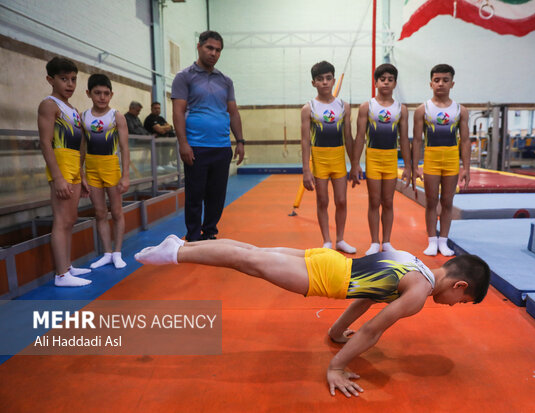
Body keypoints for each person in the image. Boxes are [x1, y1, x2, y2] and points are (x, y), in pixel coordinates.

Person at [134, 234, 490, 398]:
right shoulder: (419, 294)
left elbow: (365, 298)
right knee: (250, 261)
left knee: (253, 253)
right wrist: (335, 366)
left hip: (331, 261)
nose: (454, 306)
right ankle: (178, 252)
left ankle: (183, 246)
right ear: (459, 286)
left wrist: (337, 331)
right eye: (463, 300)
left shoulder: (413, 261)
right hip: (326, 277)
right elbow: (372, 330)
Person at [172, 30, 245, 242]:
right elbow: (178, 112)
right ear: (199, 47)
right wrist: (183, 143)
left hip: (222, 147)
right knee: (195, 195)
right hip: (196, 146)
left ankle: (210, 232)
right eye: (209, 48)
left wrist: (239, 141)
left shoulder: (225, 81)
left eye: (218, 50)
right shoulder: (184, 77)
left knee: (216, 196)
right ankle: (194, 237)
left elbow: (233, 112)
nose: (213, 53)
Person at [37, 57, 92, 287]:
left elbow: (80, 144)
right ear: (50, 79)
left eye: (73, 80)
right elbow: (45, 142)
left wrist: (83, 175)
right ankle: (61, 275)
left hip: (73, 166)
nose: (69, 84)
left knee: (70, 219)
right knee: (61, 220)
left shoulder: (73, 109)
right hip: (60, 164)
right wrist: (58, 177)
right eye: (63, 79)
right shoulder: (49, 105)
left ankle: (67, 266)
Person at [351, 64, 412, 256]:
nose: (386, 82)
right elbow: (360, 136)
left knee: (388, 201)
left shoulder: (401, 109)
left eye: (390, 79)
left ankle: (386, 242)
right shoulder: (367, 107)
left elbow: (403, 139)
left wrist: (409, 166)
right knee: (374, 201)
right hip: (373, 157)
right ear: (376, 82)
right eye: (382, 79)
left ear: (394, 83)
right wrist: (354, 164)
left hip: (391, 158)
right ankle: (374, 242)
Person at [413, 64, 470, 257]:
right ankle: (431, 240)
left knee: (447, 201)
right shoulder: (423, 109)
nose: (440, 84)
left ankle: (443, 241)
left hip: (452, 159)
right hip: (431, 159)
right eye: (436, 80)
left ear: (452, 83)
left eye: (445, 80)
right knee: (431, 201)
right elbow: (418, 140)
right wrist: (415, 166)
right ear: (430, 84)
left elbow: (466, 140)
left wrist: (466, 168)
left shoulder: (460, 110)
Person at [301, 61, 356, 254]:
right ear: (313, 82)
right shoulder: (308, 108)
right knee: (322, 200)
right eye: (320, 79)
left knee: (341, 200)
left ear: (333, 80)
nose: (324, 82)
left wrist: (355, 164)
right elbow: (305, 140)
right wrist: (306, 170)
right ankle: (326, 240)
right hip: (319, 159)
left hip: (338, 158)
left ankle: (340, 239)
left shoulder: (343, 106)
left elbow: (348, 138)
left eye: (328, 78)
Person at [82, 74, 130, 269]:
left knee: (117, 211)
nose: (102, 97)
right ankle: (106, 253)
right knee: (100, 213)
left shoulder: (116, 116)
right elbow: (82, 147)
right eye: (97, 93)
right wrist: (81, 173)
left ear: (111, 95)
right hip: (92, 168)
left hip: (111, 166)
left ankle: (117, 252)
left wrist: (125, 175)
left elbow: (125, 148)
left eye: (106, 93)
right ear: (89, 93)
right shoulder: (84, 116)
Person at [144, 101, 175, 167]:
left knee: (177, 143)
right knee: (159, 145)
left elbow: (170, 127)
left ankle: (167, 163)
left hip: (163, 139)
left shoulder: (161, 118)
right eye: (155, 108)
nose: (157, 110)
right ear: (151, 109)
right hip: (152, 141)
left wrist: (163, 128)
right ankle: (157, 166)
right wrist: (164, 128)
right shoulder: (150, 118)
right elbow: (160, 130)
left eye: (158, 108)